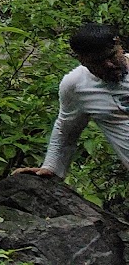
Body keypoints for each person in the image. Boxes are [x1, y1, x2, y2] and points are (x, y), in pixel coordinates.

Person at [13, 22, 129, 179]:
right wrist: (50, 167)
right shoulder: (76, 86)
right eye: (97, 62)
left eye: (111, 56)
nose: (108, 65)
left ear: (119, 46)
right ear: (82, 60)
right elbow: (66, 130)